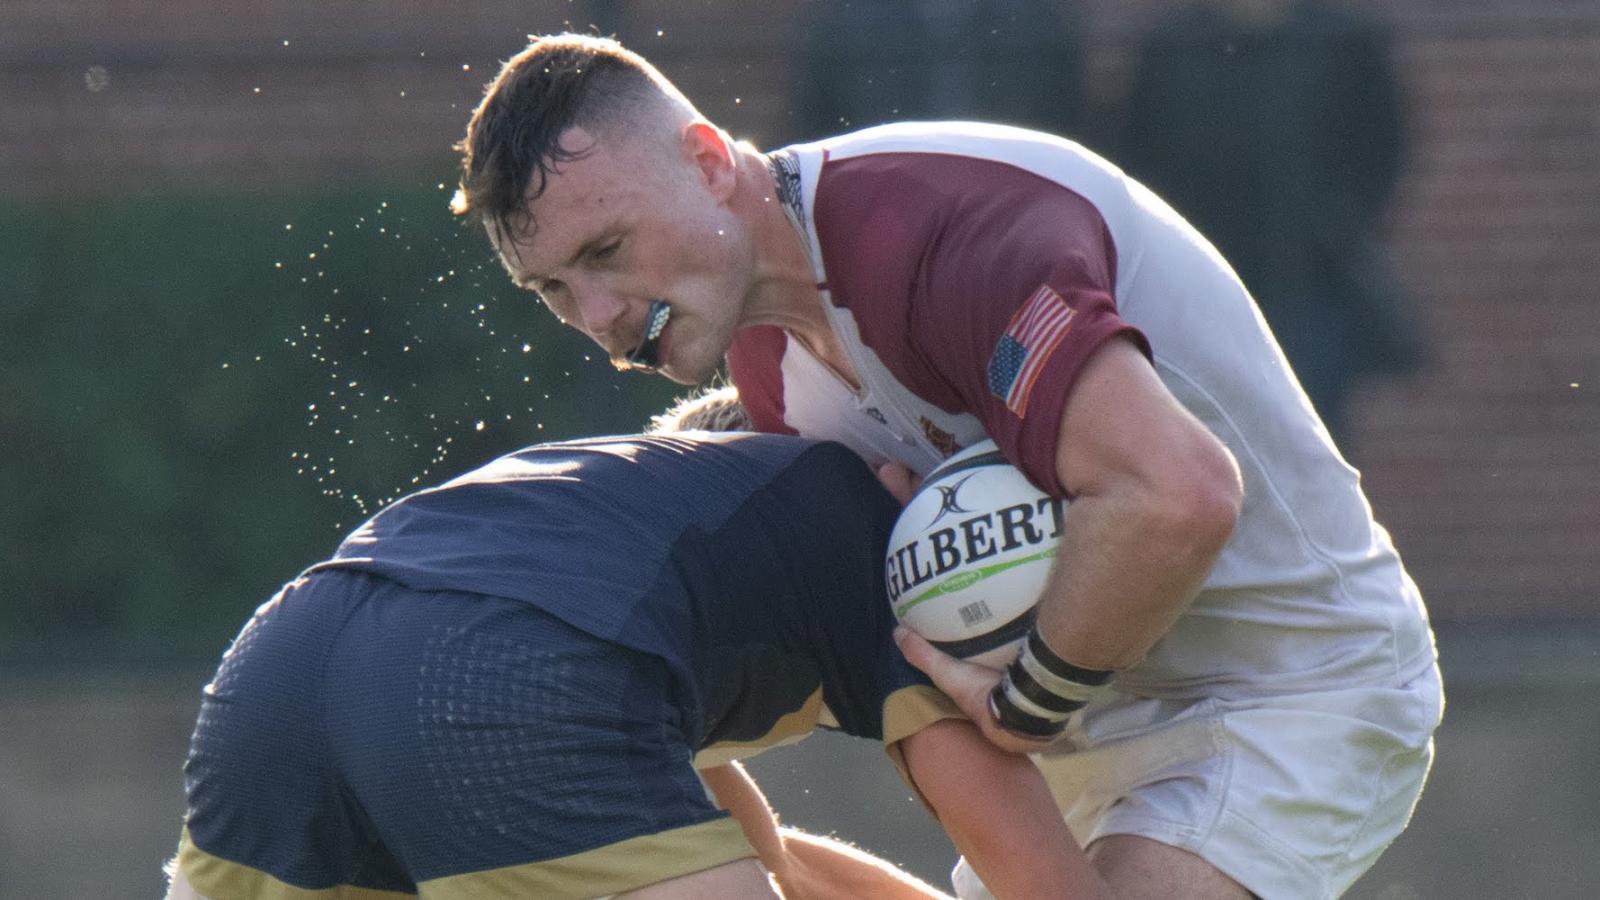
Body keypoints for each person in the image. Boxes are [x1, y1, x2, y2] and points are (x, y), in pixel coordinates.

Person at [449, 34, 1443, 900]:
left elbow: (1176, 497)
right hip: (1085, 727)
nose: (598, 318)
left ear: (708, 161)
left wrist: (1025, 706)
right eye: (553, 289)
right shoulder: (758, 347)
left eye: (607, 251)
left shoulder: (941, 230)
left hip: (1286, 690)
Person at [163, 402, 1108, 899]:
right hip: (496, 673)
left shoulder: (624, 545)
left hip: (279, 668)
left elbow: (780, 868)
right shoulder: (869, 534)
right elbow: (1048, 884)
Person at [1120, 0, 1422, 445]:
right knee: (1207, 435)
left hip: (1311, 286)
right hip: (1200, 286)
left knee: (1310, 439)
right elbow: (1141, 153)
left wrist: (1336, 224)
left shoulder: (1340, 40)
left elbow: (1380, 145)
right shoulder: (1177, 45)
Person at [791, 0, 1084, 143]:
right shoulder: (849, 24)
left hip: (1009, 209)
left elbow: (1064, 129)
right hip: (887, 209)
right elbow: (818, 134)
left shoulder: (1035, 22)